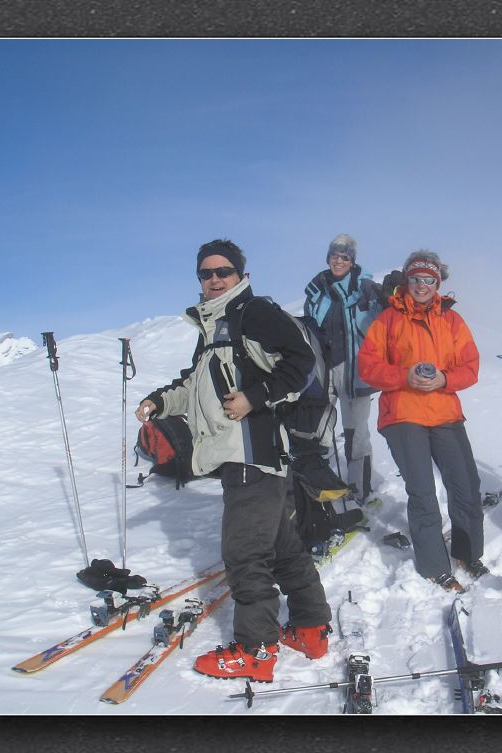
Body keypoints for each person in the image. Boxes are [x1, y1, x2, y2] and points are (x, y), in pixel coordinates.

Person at [134, 239, 332, 683]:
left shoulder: (253, 312)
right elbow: (192, 383)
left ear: (239, 274)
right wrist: (158, 403)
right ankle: (310, 629)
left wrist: (254, 397)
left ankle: (256, 651)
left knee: (245, 554)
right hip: (250, 456)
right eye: (206, 273)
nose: (215, 279)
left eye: (223, 270)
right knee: (283, 550)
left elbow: (302, 361)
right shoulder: (213, 327)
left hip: (251, 453)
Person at [357, 251, 487, 593]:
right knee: (423, 493)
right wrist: (405, 376)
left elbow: (470, 366)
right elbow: (368, 367)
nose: (421, 286)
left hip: (444, 411)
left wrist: (444, 378)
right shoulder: (387, 320)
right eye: (415, 279)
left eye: (429, 280)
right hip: (402, 414)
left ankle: (467, 553)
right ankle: (434, 566)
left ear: (438, 283)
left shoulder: (452, 321)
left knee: (466, 486)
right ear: (406, 281)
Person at [303, 233, 385, 504]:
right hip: (323, 371)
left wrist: (382, 297)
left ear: (352, 261)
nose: (339, 261)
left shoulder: (366, 290)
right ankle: (323, 490)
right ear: (328, 258)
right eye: (335, 256)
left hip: (356, 371)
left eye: (345, 257)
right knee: (319, 432)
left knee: (356, 432)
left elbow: (383, 323)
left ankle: (361, 491)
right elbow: (309, 329)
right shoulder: (316, 290)